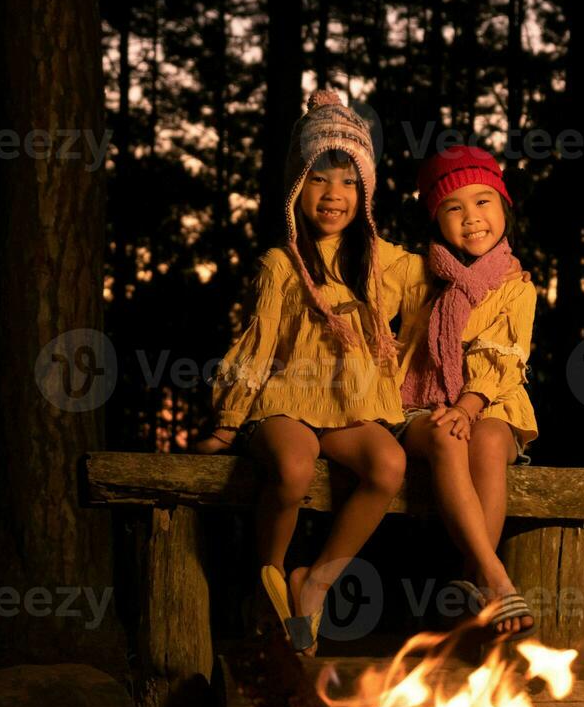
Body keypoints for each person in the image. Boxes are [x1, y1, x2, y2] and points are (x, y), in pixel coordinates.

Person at [194, 90, 424, 655]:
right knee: (295, 469)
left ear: (364, 191)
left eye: (348, 182)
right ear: (299, 187)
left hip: (349, 405)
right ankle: (269, 580)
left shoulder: (379, 263)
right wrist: (226, 423)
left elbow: (431, 281)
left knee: (388, 463)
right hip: (285, 401)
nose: (334, 195)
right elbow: (258, 345)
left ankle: (315, 580)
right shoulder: (281, 265)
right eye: (320, 180)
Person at [397, 146, 539, 639]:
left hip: (491, 399)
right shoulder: (416, 275)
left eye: (483, 202)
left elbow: (502, 357)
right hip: (420, 405)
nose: (472, 217)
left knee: (492, 440)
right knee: (448, 436)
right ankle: (494, 578)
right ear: (436, 219)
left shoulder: (517, 285)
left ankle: (472, 584)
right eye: (454, 207)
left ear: (504, 208)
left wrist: (468, 404)